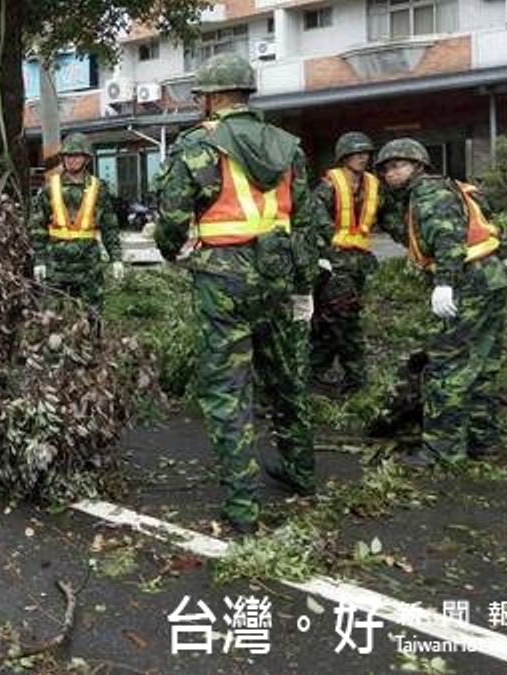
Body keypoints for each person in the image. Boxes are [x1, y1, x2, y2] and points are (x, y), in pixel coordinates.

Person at [153, 52, 320, 533]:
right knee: (284, 374)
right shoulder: (287, 146)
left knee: (227, 388)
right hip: (278, 274)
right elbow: (306, 223)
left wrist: (172, 251)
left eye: (201, 96)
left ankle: (243, 506)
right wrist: (304, 285)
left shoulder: (197, 146)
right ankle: (301, 472)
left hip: (224, 279)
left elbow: (172, 218)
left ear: (212, 98)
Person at [374, 138, 507, 466]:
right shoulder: (445, 188)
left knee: (447, 366)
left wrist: (444, 283)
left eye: (398, 166)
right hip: (490, 280)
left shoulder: (428, 194)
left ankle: (442, 450)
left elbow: (449, 239)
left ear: (418, 165)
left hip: (467, 283)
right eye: (387, 169)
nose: (391, 173)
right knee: (481, 364)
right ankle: (483, 441)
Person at [311, 132, 381, 392]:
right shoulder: (329, 186)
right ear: (344, 157)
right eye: (357, 154)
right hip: (335, 263)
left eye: (366, 153)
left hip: (359, 262)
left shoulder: (372, 185)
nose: (363, 158)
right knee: (342, 321)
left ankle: (315, 373)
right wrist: (324, 256)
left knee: (335, 321)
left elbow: (385, 216)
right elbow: (314, 221)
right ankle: (354, 379)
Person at [28, 133, 124, 306]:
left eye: (76, 155)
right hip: (56, 265)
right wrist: (39, 260)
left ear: (86, 158)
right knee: (52, 315)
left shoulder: (98, 188)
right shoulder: (50, 187)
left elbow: (109, 226)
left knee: (92, 313)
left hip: (88, 265)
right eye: (68, 156)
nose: (71, 160)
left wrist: (116, 258)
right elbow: (38, 226)